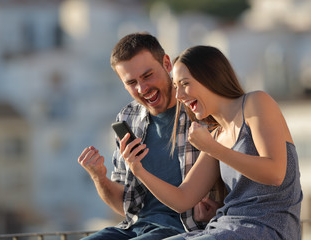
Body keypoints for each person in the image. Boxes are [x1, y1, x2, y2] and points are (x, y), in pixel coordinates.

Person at [120, 45, 303, 240]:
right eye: (176, 87)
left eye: (185, 83)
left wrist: (213, 149)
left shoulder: (255, 102)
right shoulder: (217, 136)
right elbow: (183, 199)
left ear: (210, 77)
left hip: (268, 228)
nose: (179, 96)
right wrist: (138, 170)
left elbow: (275, 173)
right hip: (225, 227)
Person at [77, 33, 224, 240]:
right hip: (134, 227)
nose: (142, 88)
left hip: (183, 230)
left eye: (147, 76)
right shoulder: (128, 117)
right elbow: (126, 206)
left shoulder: (198, 109)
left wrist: (219, 208)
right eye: (131, 82)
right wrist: (99, 177)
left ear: (166, 63)